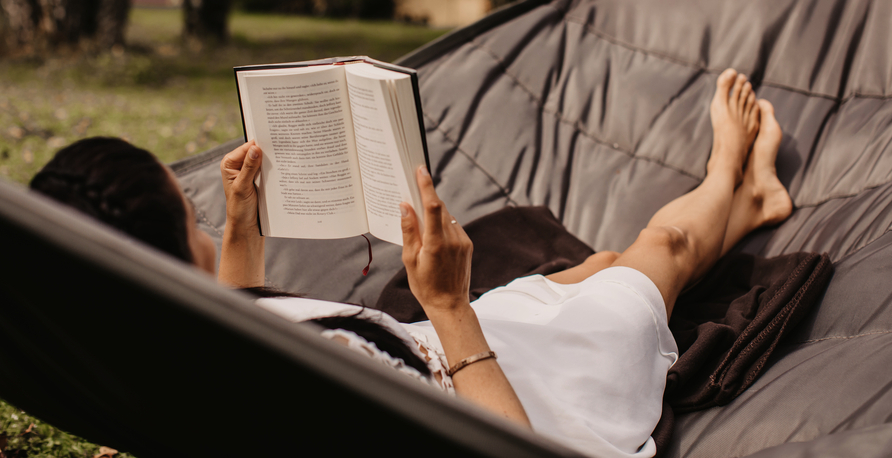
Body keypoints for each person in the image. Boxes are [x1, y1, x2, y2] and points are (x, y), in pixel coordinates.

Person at [31, 68, 792, 458]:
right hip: (513, 399)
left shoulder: (153, 354)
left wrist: (238, 229)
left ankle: (753, 202)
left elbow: (242, 335)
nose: (206, 227)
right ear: (173, 254)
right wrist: (451, 306)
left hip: (449, 356)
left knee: (599, 262)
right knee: (661, 253)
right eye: (193, 217)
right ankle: (730, 171)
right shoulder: (314, 384)